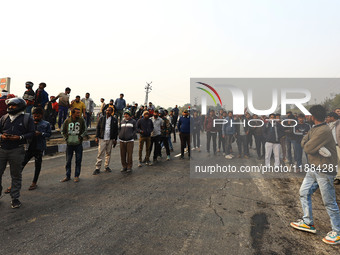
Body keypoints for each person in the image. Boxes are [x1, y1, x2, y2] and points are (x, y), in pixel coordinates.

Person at [290, 105, 340, 245]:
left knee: (329, 201)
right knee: (303, 192)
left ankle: (337, 231)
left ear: (312, 116)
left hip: (324, 170)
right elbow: (303, 142)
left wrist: (310, 144)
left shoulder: (323, 131)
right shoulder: (315, 129)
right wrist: (309, 144)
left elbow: (307, 147)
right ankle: (307, 222)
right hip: (314, 168)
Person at [0, 98, 35, 208]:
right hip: (2, 149)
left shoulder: (27, 118)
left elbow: (32, 133)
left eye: (13, 105)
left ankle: (15, 198)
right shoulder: (3, 118)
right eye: (10, 105)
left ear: (20, 106)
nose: (10, 107)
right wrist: (2, 136)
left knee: (15, 175)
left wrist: (19, 137)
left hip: (17, 150)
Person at [21, 107, 51, 190]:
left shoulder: (46, 124)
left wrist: (41, 133)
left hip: (39, 147)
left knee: (37, 166)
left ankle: (34, 183)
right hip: (29, 147)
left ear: (41, 115)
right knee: (21, 165)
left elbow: (49, 134)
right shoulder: (29, 122)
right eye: (34, 116)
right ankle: (14, 183)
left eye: (38, 116)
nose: (36, 117)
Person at [60, 108, 87, 183]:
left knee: (78, 160)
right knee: (68, 161)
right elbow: (62, 131)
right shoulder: (67, 121)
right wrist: (66, 138)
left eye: (79, 112)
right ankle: (67, 176)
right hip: (69, 144)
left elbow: (85, 130)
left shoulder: (81, 120)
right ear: (73, 113)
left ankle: (76, 176)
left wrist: (80, 137)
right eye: (77, 113)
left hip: (78, 144)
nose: (79, 114)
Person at [93, 107, 118, 175]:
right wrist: (96, 137)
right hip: (102, 138)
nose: (108, 111)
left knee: (108, 153)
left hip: (110, 139)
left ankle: (107, 166)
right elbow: (98, 128)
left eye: (109, 111)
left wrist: (115, 139)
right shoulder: (102, 119)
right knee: (100, 153)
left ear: (112, 112)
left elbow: (116, 130)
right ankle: (97, 168)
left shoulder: (114, 120)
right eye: (107, 110)